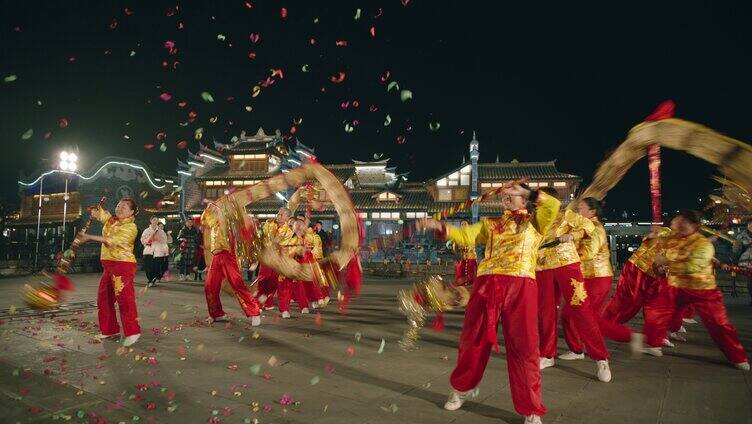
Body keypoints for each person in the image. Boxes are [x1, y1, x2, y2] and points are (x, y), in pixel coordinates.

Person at [419, 182, 559, 424]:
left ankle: (531, 407)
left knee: (525, 346)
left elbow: (553, 204)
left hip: (521, 284)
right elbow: (466, 236)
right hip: (487, 284)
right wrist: (440, 226)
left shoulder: (536, 222)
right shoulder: (490, 224)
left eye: (513, 195)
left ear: (525, 199)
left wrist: (525, 191)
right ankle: (462, 388)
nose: (507, 197)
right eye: (505, 195)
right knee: (473, 339)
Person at [641, 210, 749, 370]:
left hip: (702, 289)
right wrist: (651, 237)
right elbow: (651, 246)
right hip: (676, 286)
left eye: (683, 222)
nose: (678, 224)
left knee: (719, 324)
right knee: (656, 311)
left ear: (694, 225)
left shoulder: (703, 244)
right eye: (678, 221)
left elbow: (691, 267)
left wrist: (666, 261)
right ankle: (653, 344)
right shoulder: (673, 238)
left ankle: (738, 357)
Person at [535, 189, 612, 382]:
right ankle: (547, 354)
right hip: (542, 266)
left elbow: (589, 226)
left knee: (581, 308)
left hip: (567, 263)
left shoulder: (568, 215)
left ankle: (601, 358)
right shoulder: (535, 219)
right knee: (545, 312)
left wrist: (573, 236)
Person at [559, 198, 637, 363]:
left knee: (584, 317)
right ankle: (577, 348)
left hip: (597, 278)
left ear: (592, 212)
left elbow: (589, 252)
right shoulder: (582, 227)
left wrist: (565, 252)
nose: (577, 212)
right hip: (586, 278)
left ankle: (628, 336)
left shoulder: (595, 228)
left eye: (580, 209)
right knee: (569, 314)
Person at [82, 198, 141, 347]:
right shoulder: (112, 220)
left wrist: (88, 237)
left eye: (125, 207)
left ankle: (133, 332)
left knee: (124, 300)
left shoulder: (131, 227)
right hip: (108, 266)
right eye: (119, 205)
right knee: (104, 298)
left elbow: (110, 240)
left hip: (122, 266)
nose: (120, 208)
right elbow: (102, 214)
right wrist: (95, 211)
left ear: (132, 212)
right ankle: (109, 330)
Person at [201, 196, 262, 326]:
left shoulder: (233, 222)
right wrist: (208, 209)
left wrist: (248, 224)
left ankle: (254, 312)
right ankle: (216, 313)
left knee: (237, 284)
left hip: (228, 256)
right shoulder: (213, 220)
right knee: (209, 286)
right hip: (216, 257)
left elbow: (245, 232)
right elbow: (204, 220)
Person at [255, 207, 293, 309]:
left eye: (282, 215)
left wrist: (273, 241)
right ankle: (258, 304)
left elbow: (281, 245)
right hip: (267, 257)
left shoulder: (288, 231)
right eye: (278, 213)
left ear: (288, 218)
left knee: (273, 281)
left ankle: (268, 303)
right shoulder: (269, 224)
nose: (279, 216)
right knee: (263, 279)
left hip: (277, 260)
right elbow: (262, 237)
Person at [277, 218, 311, 318]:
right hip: (286, 266)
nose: (299, 228)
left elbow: (305, 254)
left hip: (298, 267)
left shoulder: (305, 239)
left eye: (301, 226)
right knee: (284, 288)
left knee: (300, 287)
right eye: (296, 226)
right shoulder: (286, 237)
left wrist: (303, 249)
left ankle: (304, 306)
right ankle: (284, 310)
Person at [140, 216, 167, 287]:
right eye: (154, 220)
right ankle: (150, 280)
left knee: (157, 267)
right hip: (149, 251)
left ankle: (153, 280)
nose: (155, 221)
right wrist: (150, 239)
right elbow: (142, 240)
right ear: (151, 221)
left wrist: (159, 239)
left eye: (156, 220)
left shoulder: (161, 231)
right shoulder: (146, 230)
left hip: (158, 252)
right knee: (148, 266)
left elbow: (165, 240)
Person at [733, 219, 752, 305]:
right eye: (750, 224)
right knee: (750, 281)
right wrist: (736, 246)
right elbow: (736, 251)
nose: (751, 226)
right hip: (747, 261)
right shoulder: (741, 236)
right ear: (747, 226)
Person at [453, 220, 477, 287]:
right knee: (460, 274)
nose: (464, 226)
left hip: (471, 258)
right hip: (461, 258)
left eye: (465, 224)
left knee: (471, 275)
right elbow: (454, 248)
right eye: (462, 224)